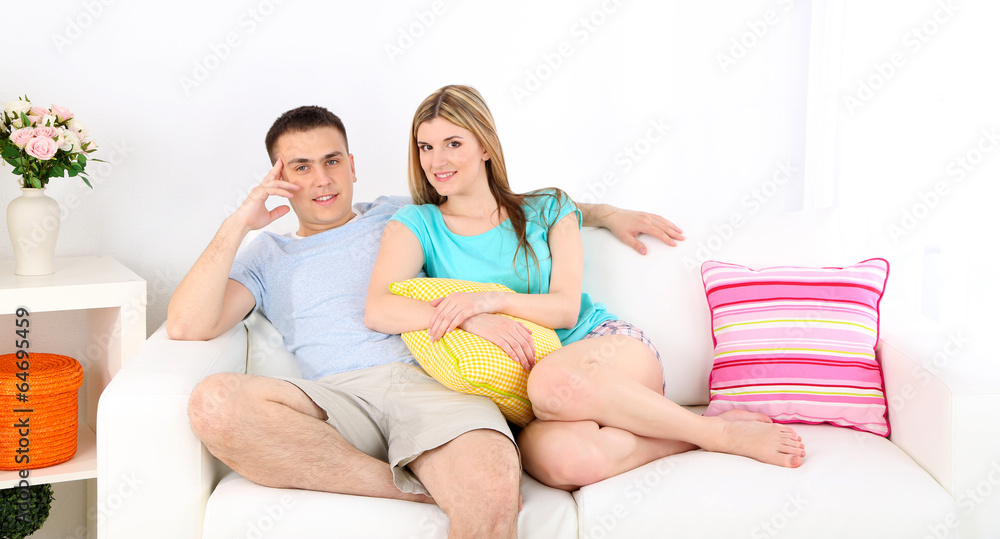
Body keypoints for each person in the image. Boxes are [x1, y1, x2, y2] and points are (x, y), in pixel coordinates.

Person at [166, 104, 682, 538]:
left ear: (352, 164)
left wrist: (605, 213)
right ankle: (413, 489)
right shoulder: (265, 255)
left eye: (331, 161)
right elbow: (188, 326)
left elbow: (499, 205)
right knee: (213, 404)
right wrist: (239, 222)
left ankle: (447, 480)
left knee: (489, 491)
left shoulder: (402, 214)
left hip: (438, 386)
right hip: (337, 399)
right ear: (277, 179)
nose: (321, 179)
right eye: (300, 167)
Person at [365, 85, 806, 492]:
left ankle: (721, 433)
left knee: (552, 379)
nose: (437, 161)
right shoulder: (417, 225)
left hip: (604, 349)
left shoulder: (549, 208)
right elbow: (380, 308)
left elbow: (564, 311)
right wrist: (473, 318)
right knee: (566, 462)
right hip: (530, 397)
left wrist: (491, 300)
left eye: (453, 144)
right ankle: (686, 438)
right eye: (426, 147)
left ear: (484, 146)